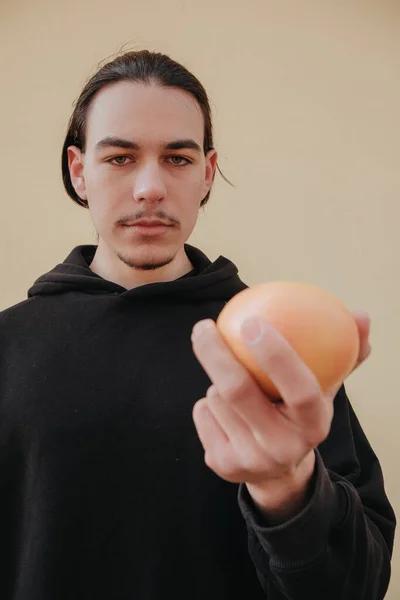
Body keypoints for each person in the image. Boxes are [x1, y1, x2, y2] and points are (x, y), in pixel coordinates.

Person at [0, 50, 395, 600]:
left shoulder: (273, 342)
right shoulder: (8, 346)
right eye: (119, 158)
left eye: (178, 159)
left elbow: (358, 586)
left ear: (207, 172)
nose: (150, 189)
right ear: (78, 171)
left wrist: (289, 491)